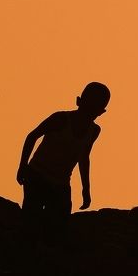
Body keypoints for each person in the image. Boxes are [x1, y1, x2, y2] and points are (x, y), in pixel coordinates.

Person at [16, 82, 110, 240]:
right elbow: (32, 136)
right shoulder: (60, 119)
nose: (90, 113)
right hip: (37, 175)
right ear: (79, 101)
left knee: (58, 228)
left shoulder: (94, 131)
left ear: (101, 112)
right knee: (31, 223)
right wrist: (22, 166)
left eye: (95, 109)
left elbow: (84, 157)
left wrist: (86, 189)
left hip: (61, 183)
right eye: (89, 106)